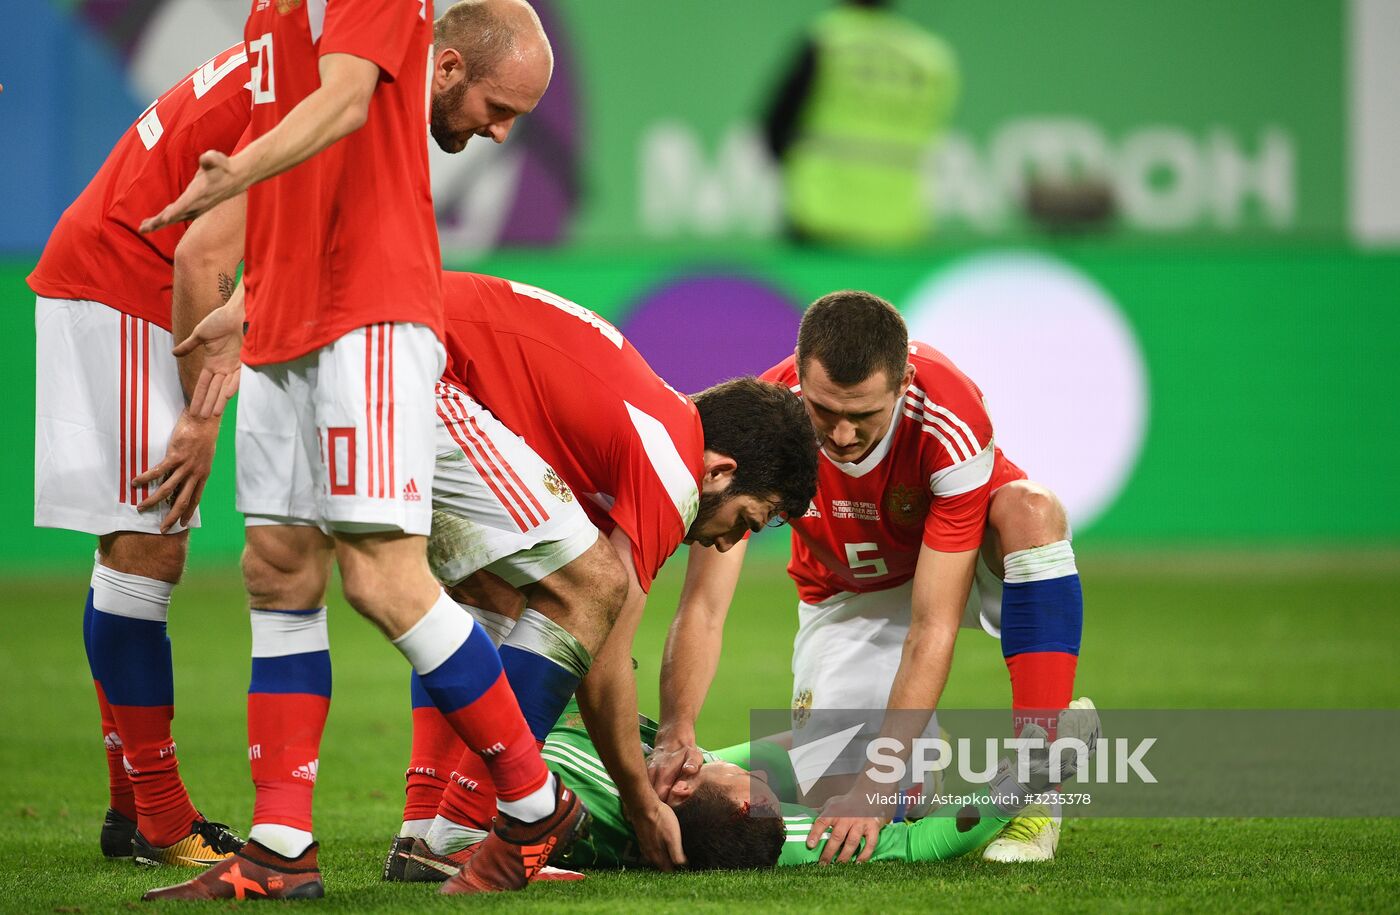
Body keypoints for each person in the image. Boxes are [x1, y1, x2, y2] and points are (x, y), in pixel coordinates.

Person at [138, 0, 580, 901]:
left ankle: (534, 802)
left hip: (367, 315)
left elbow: (343, 105)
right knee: (276, 569)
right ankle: (279, 846)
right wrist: (252, 297)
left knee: (383, 576)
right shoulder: (274, 9)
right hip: (287, 315)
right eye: (501, 110)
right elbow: (314, 171)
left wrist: (232, 175)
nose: (501, 134)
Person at [383, 272, 819, 883]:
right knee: (591, 587)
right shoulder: (671, 467)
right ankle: (462, 833)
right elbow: (604, 648)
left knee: (493, 593)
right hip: (412, 361)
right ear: (720, 471)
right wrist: (640, 800)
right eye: (746, 520)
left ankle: (425, 829)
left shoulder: (639, 425)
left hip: (381, 344)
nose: (727, 542)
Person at [650, 291, 1085, 865]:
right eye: (824, 411)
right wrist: (675, 730)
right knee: (855, 796)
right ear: (801, 375)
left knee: (1032, 510)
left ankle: (1040, 781)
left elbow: (932, 625)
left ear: (903, 382)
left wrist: (875, 787)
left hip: (953, 566)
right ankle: (713, 764)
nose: (841, 436)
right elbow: (704, 606)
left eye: (862, 416)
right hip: (846, 593)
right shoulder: (768, 420)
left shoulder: (950, 417)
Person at [28, 42, 252, 868]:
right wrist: (201, 413)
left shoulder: (293, 57)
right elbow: (203, 254)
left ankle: (132, 809)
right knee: (148, 544)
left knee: (131, 547)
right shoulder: (327, 87)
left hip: (113, 271)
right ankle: (161, 818)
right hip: (130, 279)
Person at [462, 697, 1097, 874]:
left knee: (866, 746)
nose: (760, 782)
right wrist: (1028, 779)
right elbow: (923, 843)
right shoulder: (766, 833)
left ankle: (907, 773)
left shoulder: (576, 775)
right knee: (882, 769)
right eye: (760, 790)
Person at [763, 0, 959, 247]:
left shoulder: (827, 42)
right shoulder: (930, 56)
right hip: (899, 222)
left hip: (821, 216)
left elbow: (776, 124)